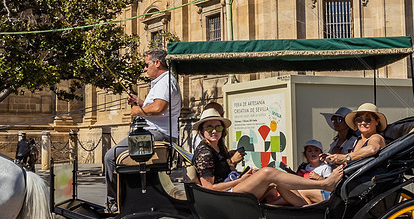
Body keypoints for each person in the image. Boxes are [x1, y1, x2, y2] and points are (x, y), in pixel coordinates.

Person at [191, 105, 341, 206]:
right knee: (268, 172)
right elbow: (209, 189)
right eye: (209, 127)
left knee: (276, 182)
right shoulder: (205, 152)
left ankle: (307, 208)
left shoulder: (217, 147)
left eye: (217, 126)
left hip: (233, 189)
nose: (214, 130)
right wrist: (240, 180)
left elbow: (223, 172)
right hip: (224, 197)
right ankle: (322, 185)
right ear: (202, 130)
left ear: (222, 129)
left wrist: (244, 175)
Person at [103, 48, 182, 206]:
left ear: (157, 63)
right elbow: (156, 106)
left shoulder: (165, 82)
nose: (145, 69)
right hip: (155, 133)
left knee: (110, 157)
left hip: (157, 134)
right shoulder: (162, 83)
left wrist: (138, 110)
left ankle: (115, 201)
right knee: (115, 156)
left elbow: (159, 108)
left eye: (146, 65)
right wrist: (140, 102)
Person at [326, 103, 387, 168]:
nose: (363, 123)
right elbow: (353, 162)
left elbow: (372, 149)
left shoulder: (376, 137)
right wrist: (335, 160)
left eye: (367, 120)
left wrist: (345, 157)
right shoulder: (357, 140)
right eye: (359, 120)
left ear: (377, 121)